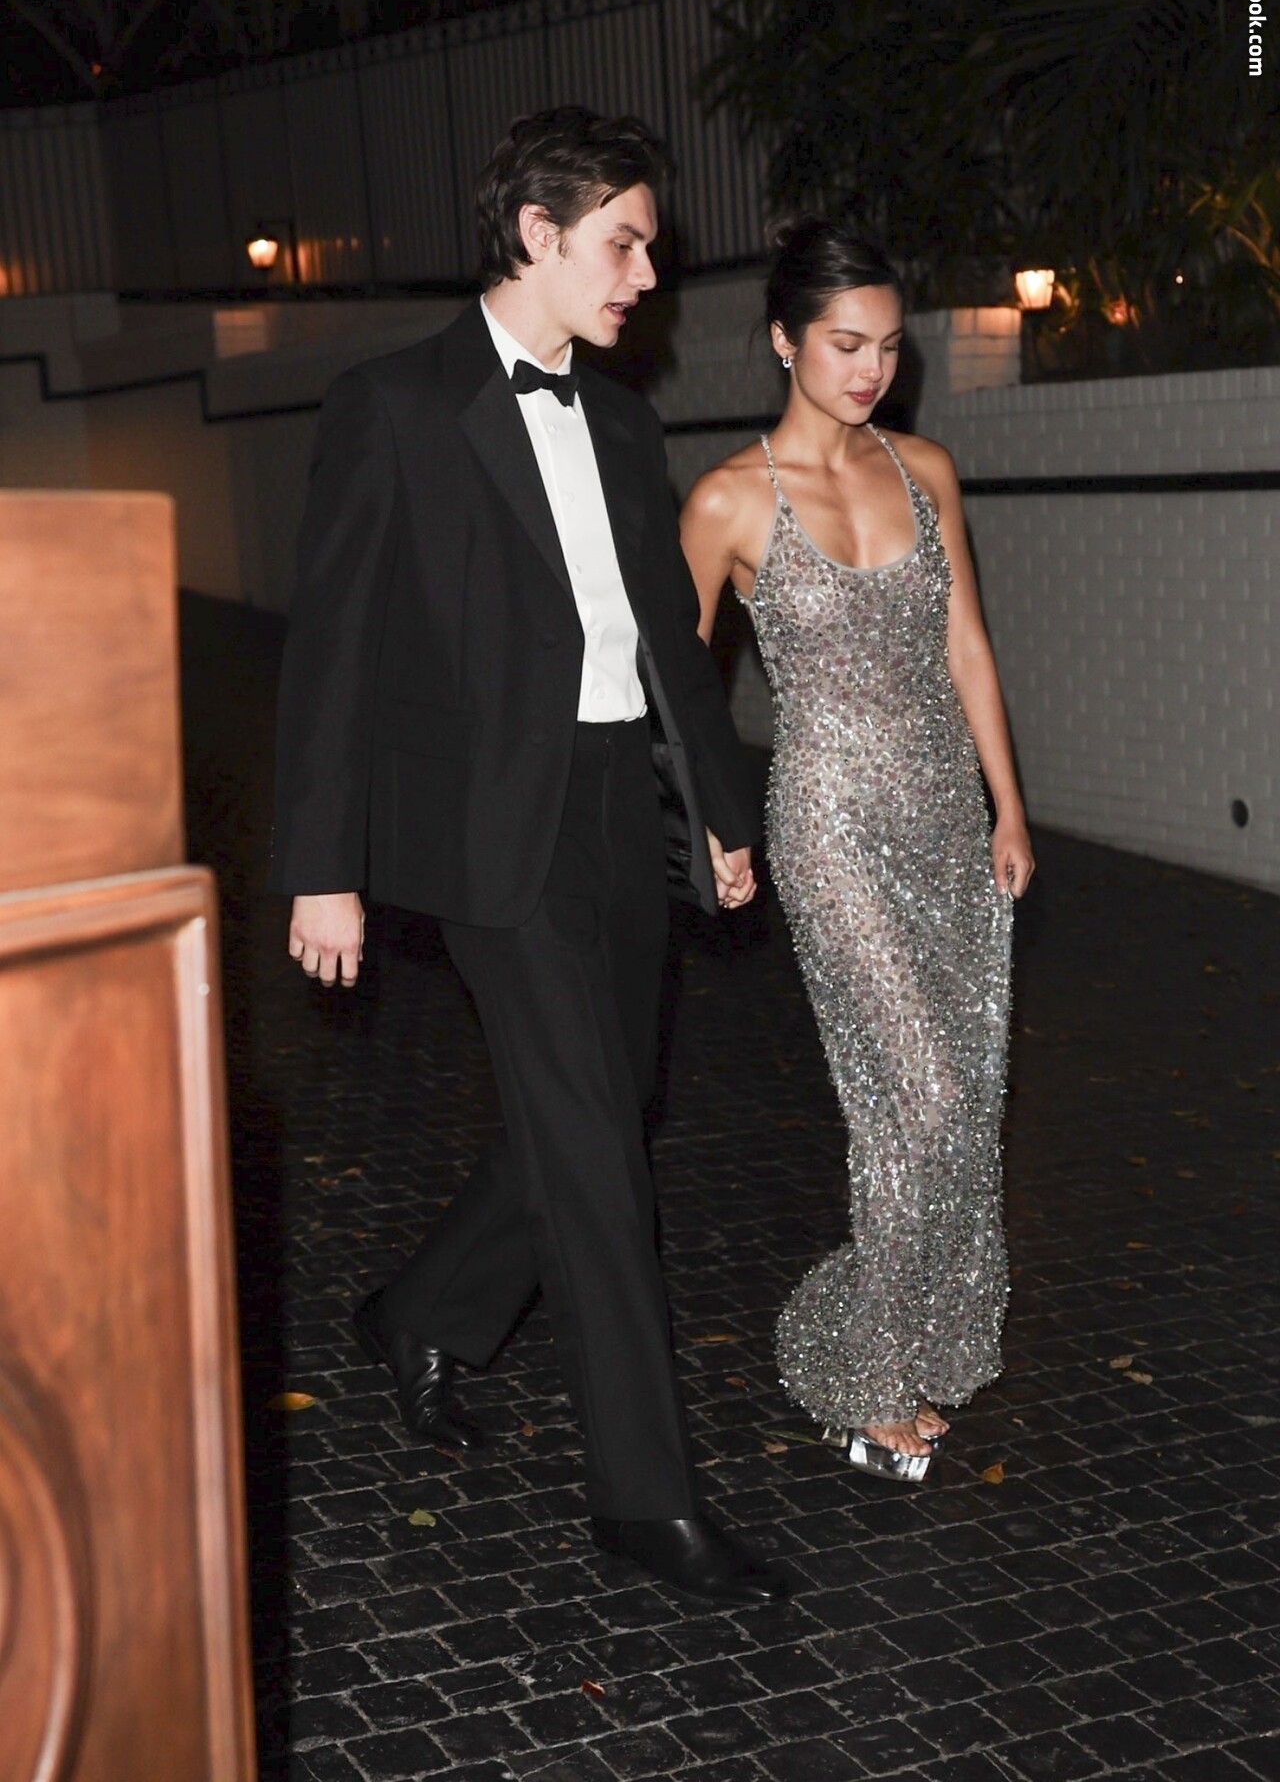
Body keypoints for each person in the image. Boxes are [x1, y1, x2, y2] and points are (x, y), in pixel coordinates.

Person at [270, 107, 788, 1603]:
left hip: (620, 805)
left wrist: (721, 812)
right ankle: (644, 1499)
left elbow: (668, 640)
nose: (647, 276)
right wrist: (321, 865)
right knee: (599, 1164)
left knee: (608, 1111)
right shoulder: (395, 407)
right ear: (536, 233)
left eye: (649, 246)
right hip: (489, 828)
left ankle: (425, 1312)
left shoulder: (619, 420)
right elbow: (332, 652)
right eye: (622, 244)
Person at [679, 219, 1034, 1482]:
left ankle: (907, 1339)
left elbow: (966, 645)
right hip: (828, 824)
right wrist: (711, 824)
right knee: (914, 1098)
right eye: (842, 344)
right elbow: (678, 686)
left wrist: (1006, 805)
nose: (869, 368)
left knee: (961, 1102)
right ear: (782, 340)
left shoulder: (924, 467)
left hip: (944, 815)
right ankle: (851, 1361)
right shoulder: (726, 499)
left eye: (886, 345)